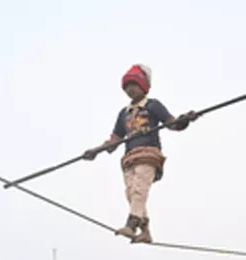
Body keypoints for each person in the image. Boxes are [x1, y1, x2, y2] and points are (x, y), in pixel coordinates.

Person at [83, 64, 199, 243]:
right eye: (127, 87)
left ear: (143, 86)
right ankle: (145, 231)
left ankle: (132, 225)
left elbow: (172, 124)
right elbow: (115, 139)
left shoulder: (153, 105)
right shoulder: (124, 113)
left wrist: (185, 120)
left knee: (139, 190)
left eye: (134, 85)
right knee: (130, 193)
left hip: (148, 154)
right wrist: (96, 151)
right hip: (129, 158)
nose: (130, 90)